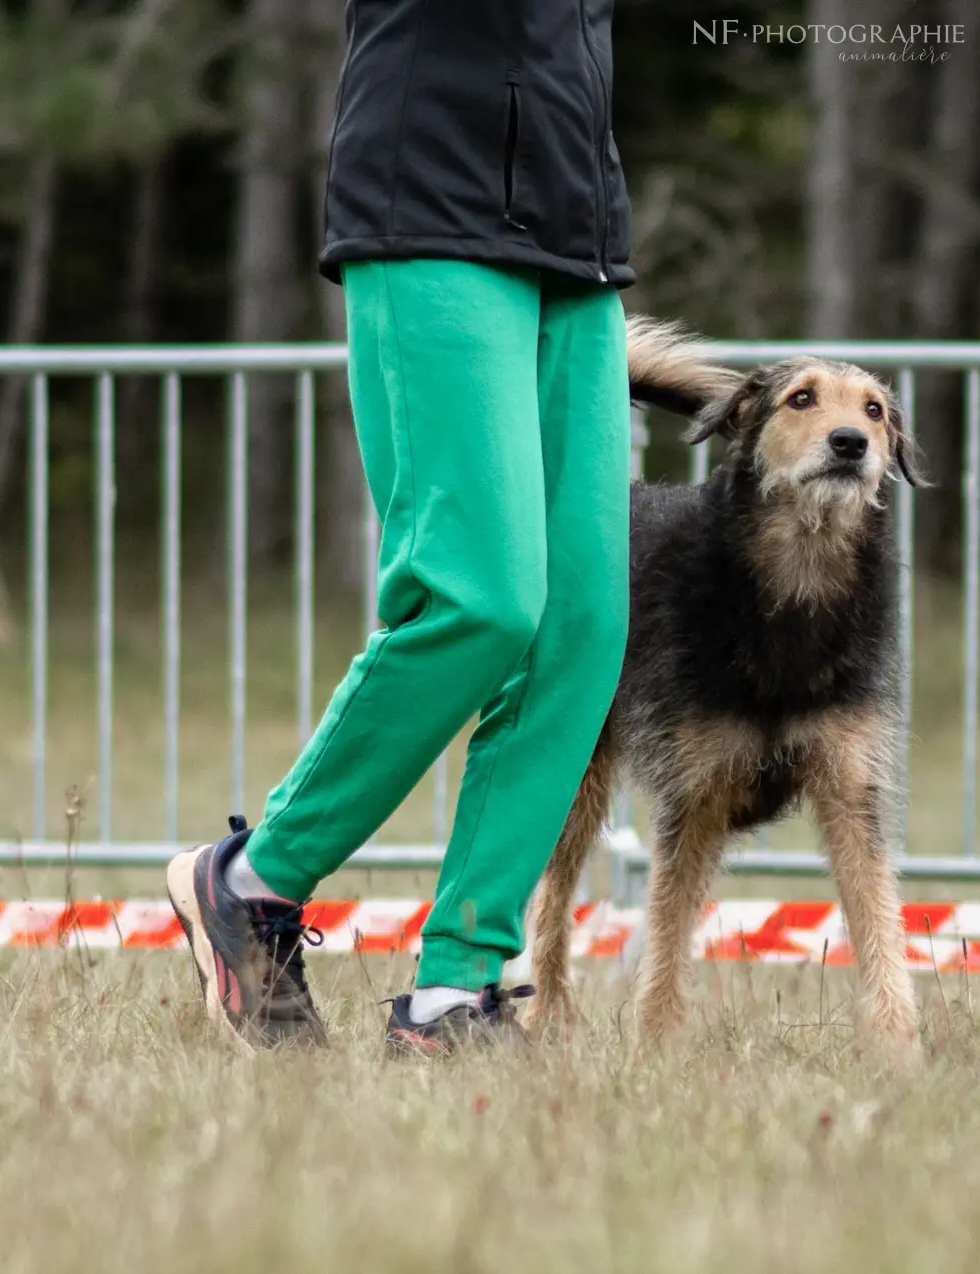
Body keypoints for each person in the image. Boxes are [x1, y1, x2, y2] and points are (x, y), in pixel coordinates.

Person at [167, 0, 635, 1053]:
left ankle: (452, 989)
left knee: (579, 628)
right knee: (480, 596)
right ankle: (251, 878)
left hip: (576, 222)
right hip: (430, 197)